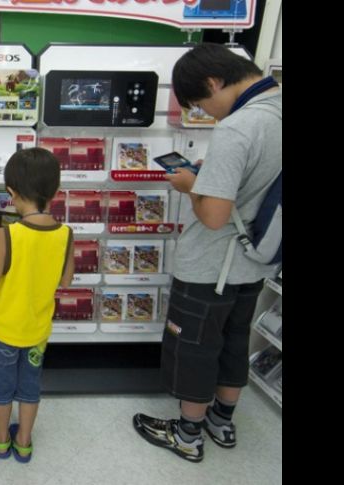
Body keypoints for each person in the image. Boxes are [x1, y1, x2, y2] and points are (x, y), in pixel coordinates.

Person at [132, 43, 281, 462]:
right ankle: (222, 421)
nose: (206, 113)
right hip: (255, 260)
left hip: (211, 266)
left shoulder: (238, 128)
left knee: (194, 346)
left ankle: (187, 433)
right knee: (235, 341)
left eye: (201, 102)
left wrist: (190, 185)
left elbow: (214, 215)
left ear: (215, 82)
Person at [0, 147, 75, 463]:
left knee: (2, 387)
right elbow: (66, 281)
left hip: (4, 330)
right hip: (37, 331)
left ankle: (3, 438)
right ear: (56, 193)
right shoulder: (66, 234)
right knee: (30, 387)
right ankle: (24, 441)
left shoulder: (8, 235)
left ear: (11, 192)